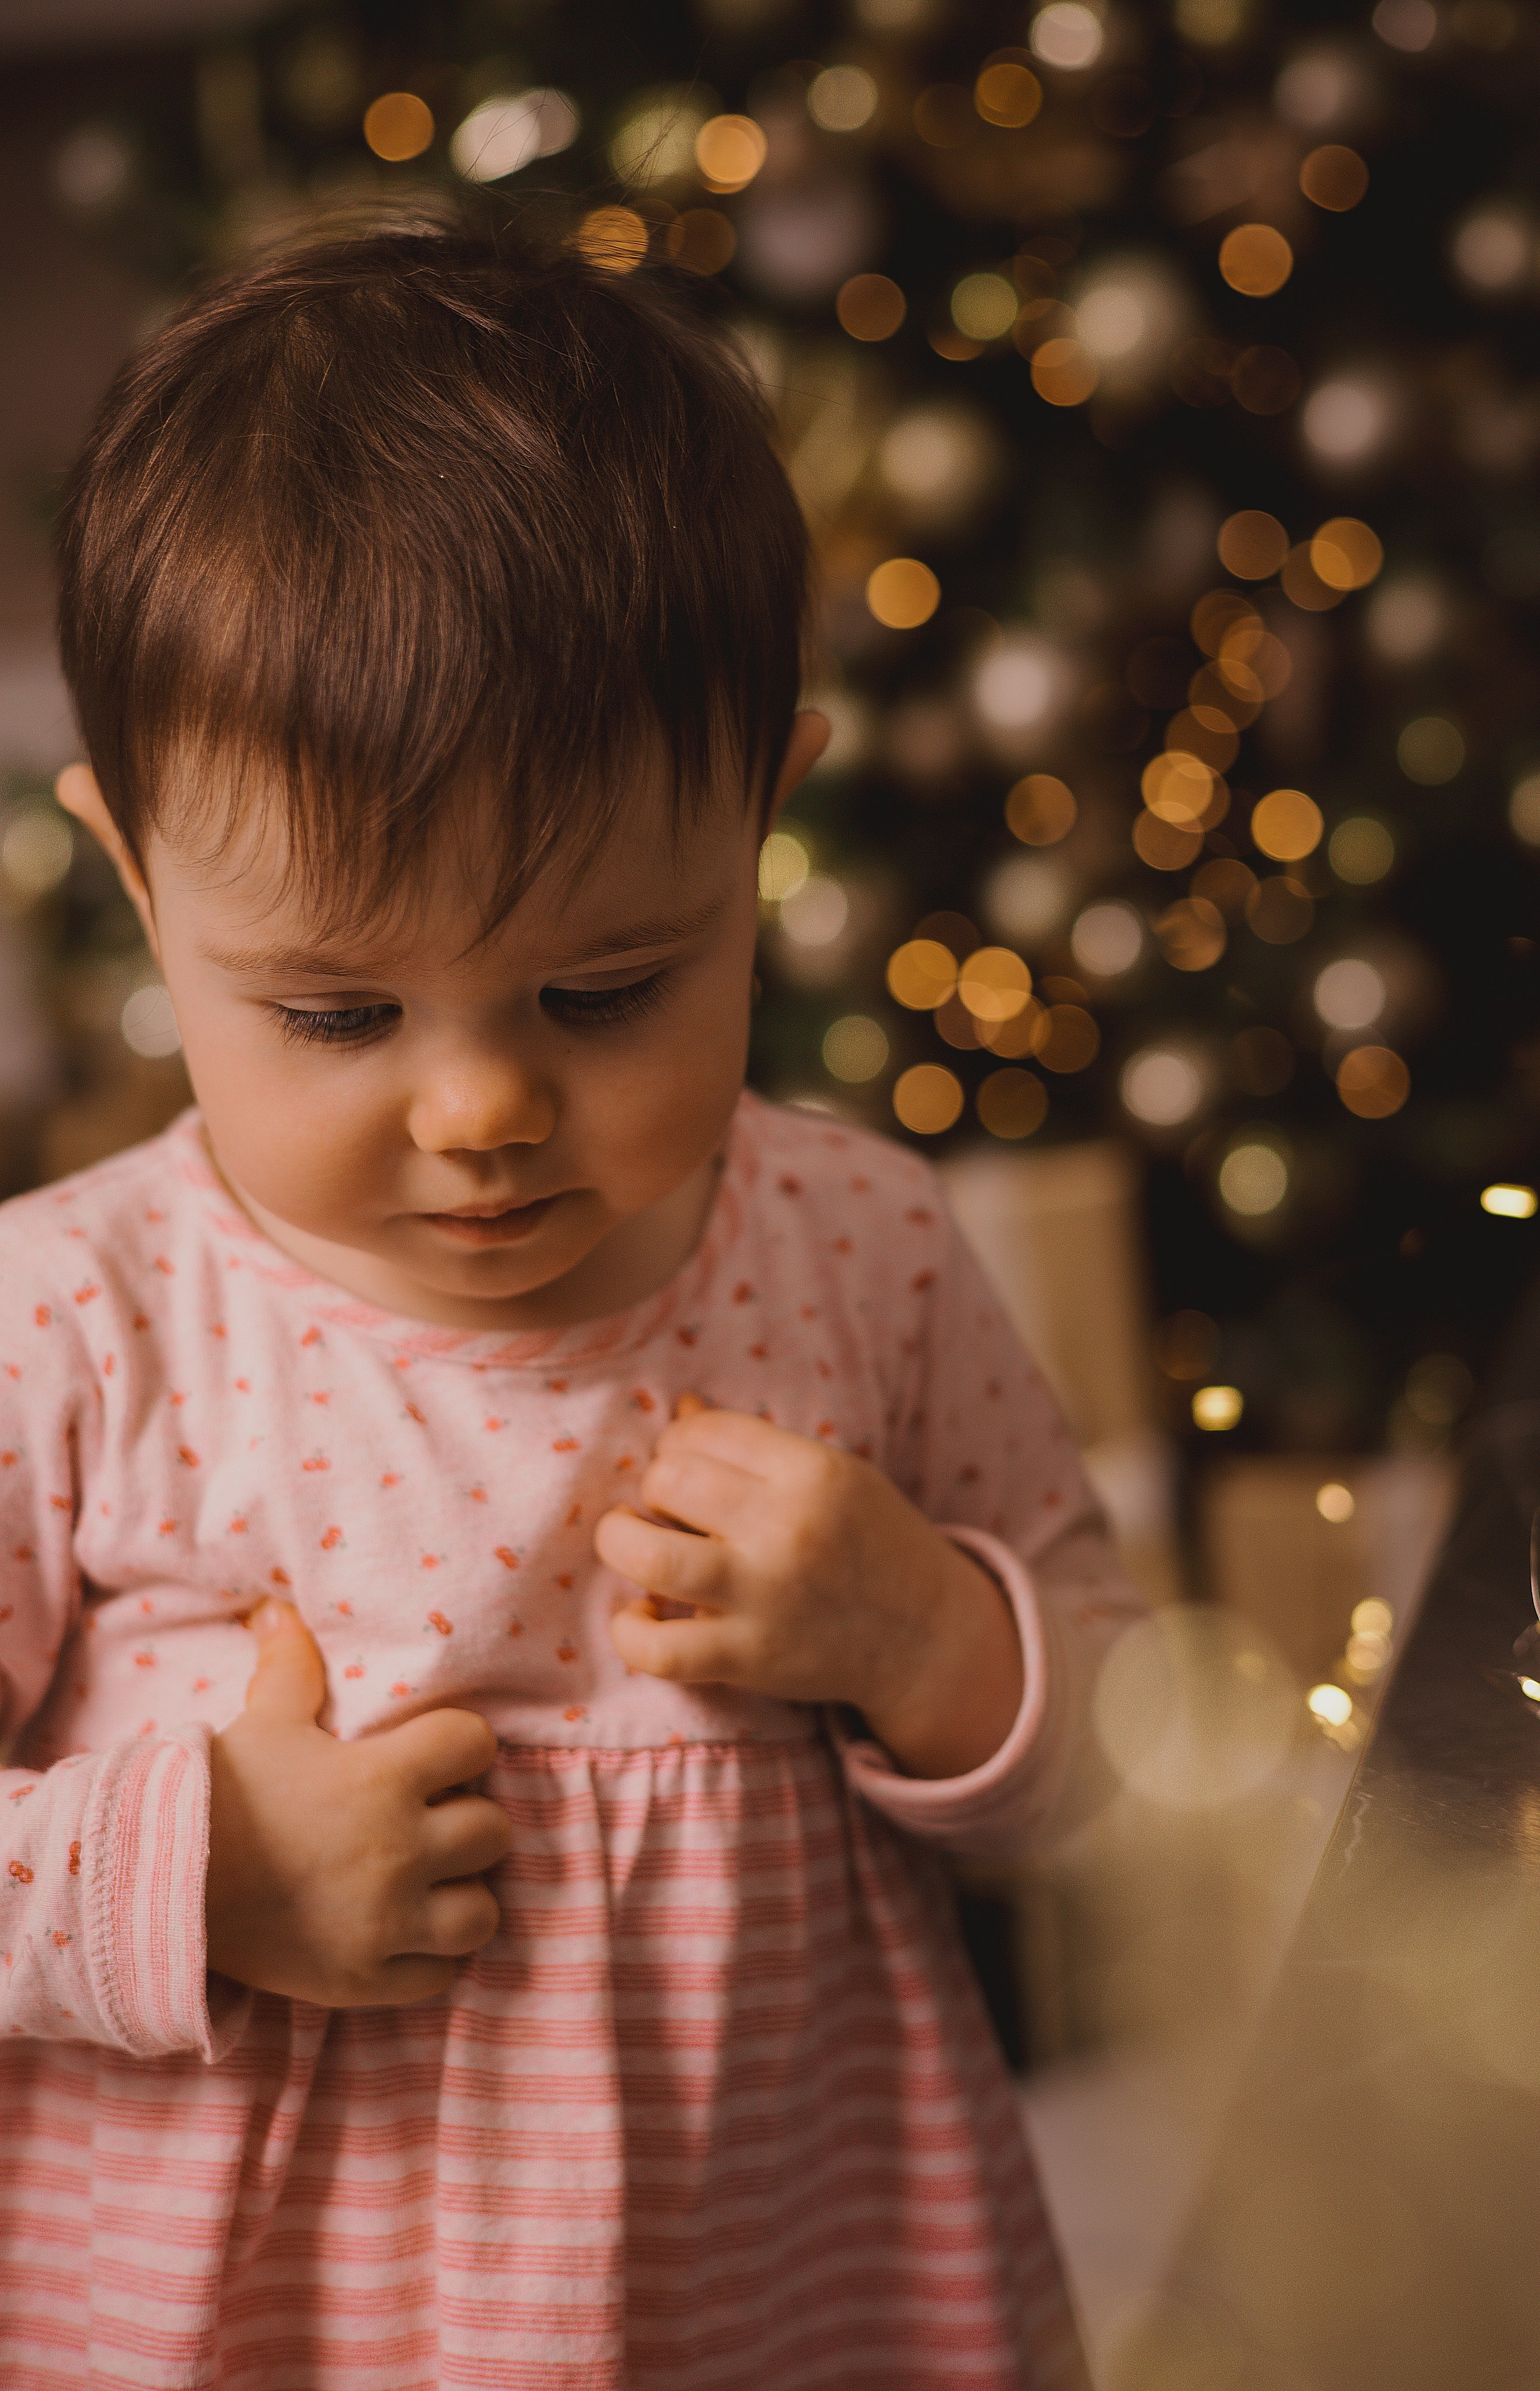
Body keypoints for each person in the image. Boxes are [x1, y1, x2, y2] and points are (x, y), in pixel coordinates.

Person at [0, 225, 1142, 2390]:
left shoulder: (858, 1246)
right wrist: (202, 1872)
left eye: (607, 986)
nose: (486, 1108)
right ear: (140, 884)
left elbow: (1124, 1758)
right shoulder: (72, 1322)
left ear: (761, 818)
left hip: (804, 2304)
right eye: (337, 1010)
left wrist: (929, 1637)